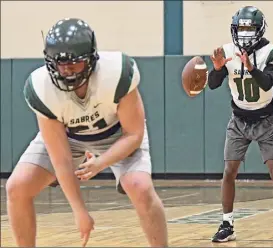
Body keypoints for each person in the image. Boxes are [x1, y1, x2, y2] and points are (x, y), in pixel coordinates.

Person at [6, 18, 168, 247]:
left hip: (116, 134)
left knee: (140, 186)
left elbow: (134, 135)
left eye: (75, 63)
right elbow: (61, 159)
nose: (68, 71)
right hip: (69, 138)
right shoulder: (41, 88)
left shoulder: (117, 73)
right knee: (17, 187)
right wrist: (79, 211)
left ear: (91, 58)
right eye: (61, 64)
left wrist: (101, 162)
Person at [208, 6, 273, 243]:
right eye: (242, 28)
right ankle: (227, 223)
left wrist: (250, 68)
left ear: (260, 29)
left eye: (250, 28)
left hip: (265, 120)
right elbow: (213, 84)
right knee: (229, 171)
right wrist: (216, 70)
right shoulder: (227, 51)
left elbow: (266, 83)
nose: (245, 33)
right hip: (238, 120)